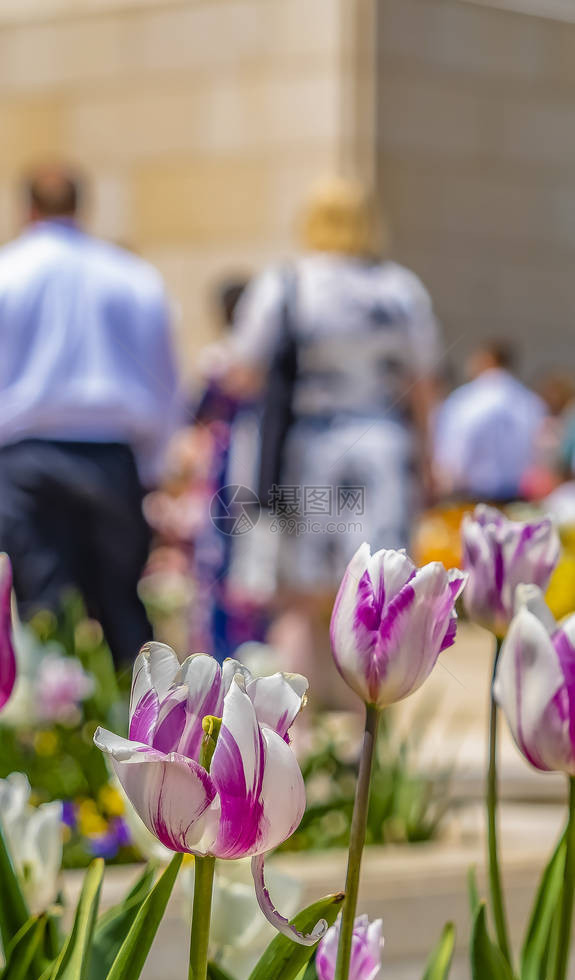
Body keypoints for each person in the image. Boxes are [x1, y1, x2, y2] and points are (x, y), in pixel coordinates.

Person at [224, 178, 440, 701]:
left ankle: (293, 735)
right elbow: (424, 385)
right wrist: (430, 464)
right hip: (382, 455)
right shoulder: (400, 289)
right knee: (375, 600)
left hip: (306, 451)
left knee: (296, 599)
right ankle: (362, 736)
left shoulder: (285, 284)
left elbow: (242, 371)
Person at [0, 165, 181, 664]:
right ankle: (143, 727)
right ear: (81, 207)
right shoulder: (131, 276)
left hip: (24, 458)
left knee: (42, 610)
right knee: (122, 603)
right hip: (110, 458)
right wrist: (155, 466)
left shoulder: (7, 272)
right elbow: (165, 379)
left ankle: (51, 734)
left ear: (28, 208)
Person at [434, 338, 546, 502]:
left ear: (487, 359)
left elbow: (454, 448)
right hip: (517, 494)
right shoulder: (530, 401)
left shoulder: (467, 399)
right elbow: (539, 448)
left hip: (472, 493)